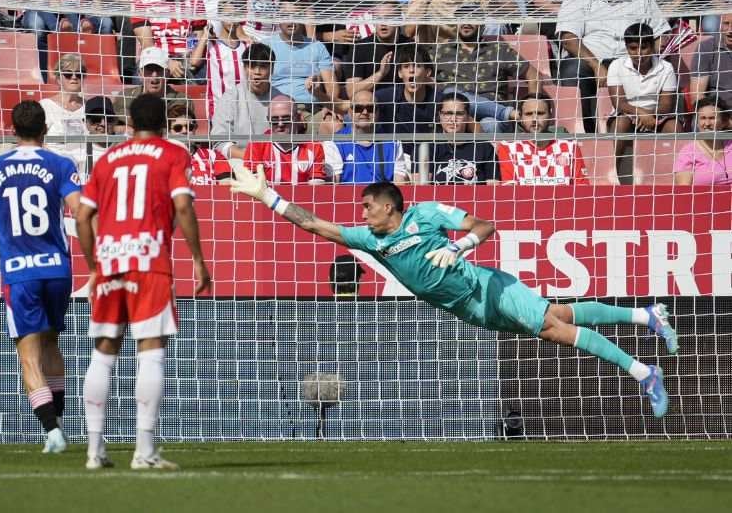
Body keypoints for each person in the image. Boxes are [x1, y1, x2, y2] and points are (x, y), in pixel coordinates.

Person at [228, 170, 677, 418]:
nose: (361, 213)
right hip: (469, 310)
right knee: (561, 313)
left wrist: (459, 246)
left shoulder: (424, 214)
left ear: (388, 206)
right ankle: (646, 316)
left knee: (551, 327)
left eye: (367, 206)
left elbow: (485, 226)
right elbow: (314, 224)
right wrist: (268, 196)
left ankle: (643, 372)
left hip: (486, 285)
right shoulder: (371, 241)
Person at [76, 93, 211, 470]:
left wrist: (93, 264)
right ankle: (144, 451)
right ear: (166, 126)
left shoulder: (106, 159)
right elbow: (182, 204)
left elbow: (82, 217)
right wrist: (198, 261)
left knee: (103, 354)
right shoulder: (173, 154)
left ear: (129, 125)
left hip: (109, 262)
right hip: (149, 259)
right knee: (150, 352)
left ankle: (93, 452)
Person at [0, 100, 83, 454]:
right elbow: (77, 209)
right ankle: (58, 423)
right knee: (51, 345)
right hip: (58, 270)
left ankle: (52, 432)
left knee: (28, 356)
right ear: (45, 128)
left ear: (11, 130)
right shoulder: (61, 164)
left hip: (19, 272)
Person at [555, 0, 670, 133]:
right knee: (572, 69)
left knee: (664, 68)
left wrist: (646, 59)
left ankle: (655, 127)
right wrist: (596, 66)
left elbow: (660, 35)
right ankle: (582, 132)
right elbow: (568, 38)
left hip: (632, 59)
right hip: (593, 60)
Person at [607, 22, 678, 182]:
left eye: (644, 47)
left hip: (657, 114)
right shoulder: (616, 66)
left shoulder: (666, 67)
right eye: (633, 48)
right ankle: (611, 173)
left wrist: (649, 116)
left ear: (652, 46)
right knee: (621, 123)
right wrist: (641, 113)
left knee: (674, 126)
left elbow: (667, 104)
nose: (639, 53)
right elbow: (619, 103)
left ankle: (672, 175)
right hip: (627, 113)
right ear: (626, 48)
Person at [218, 95, 333, 184]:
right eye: (275, 119)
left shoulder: (314, 147)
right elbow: (256, 188)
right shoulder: (257, 145)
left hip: (303, 206)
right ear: (268, 120)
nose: (280, 124)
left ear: (298, 118)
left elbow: (315, 192)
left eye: (286, 118)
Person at [496, 92, 589, 185]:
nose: (534, 119)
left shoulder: (570, 146)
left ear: (550, 115)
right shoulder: (508, 147)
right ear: (520, 117)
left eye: (540, 113)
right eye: (528, 114)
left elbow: (582, 187)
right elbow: (509, 192)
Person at [323, 90, 412, 184]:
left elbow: (399, 183)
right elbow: (333, 185)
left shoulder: (393, 142)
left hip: (382, 197)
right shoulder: (334, 142)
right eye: (358, 108)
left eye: (370, 108)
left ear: (377, 112)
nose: (365, 112)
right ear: (349, 112)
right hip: (347, 197)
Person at [210, 42, 280, 139]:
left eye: (263, 67)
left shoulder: (281, 100)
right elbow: (219, 139)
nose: (257, 72)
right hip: (239, 152)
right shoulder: (231, 97)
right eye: (252, 66)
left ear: (272, 69)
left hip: (272, 153)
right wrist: (247, 154)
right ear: (245, 68)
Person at [430, 93, 498, 184]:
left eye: (459, 114)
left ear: (467, 117)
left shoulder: (484, 148)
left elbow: (493, 188)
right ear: (440, 116)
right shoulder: (429, 147)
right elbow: (420, 189)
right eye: (448, 113)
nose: (453, 119)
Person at [674, 94, 732, 185]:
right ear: (697, 123)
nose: (707, 123)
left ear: (724, 122)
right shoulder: (688, 152)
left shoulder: (730, 144)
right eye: (703, 118)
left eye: (712, 118)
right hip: (703, 198)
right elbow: (684, 192)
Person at [688, 13, 732, 106]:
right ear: (719, 25)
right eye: (726, 23)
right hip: (717, 112)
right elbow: (697, 96)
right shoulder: (706, 47)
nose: (730, 30)